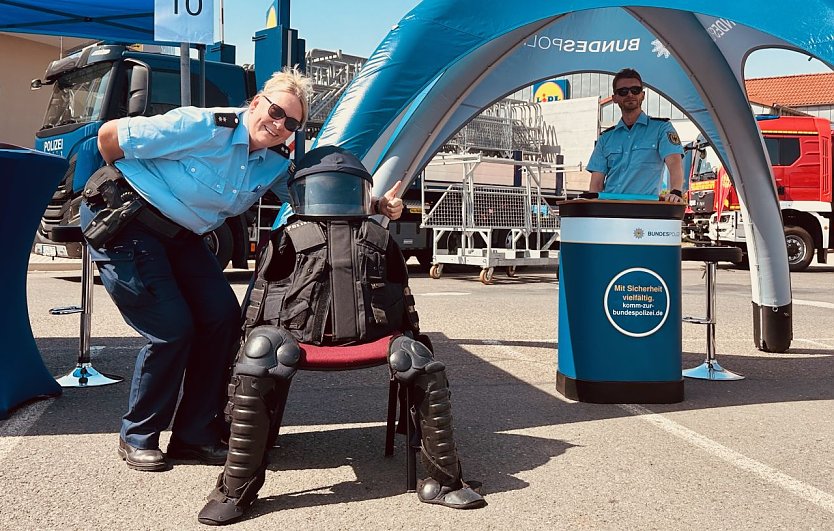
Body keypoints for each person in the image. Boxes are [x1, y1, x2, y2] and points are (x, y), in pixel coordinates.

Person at [84, 66, 404, 472]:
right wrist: (123, 185)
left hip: (183, 236)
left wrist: (376, 205)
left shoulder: (272, 163)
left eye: (291, 123)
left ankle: (194, 435)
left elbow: (315, 195)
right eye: (274, 112)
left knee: (223, 319)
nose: (279, 125)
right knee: (172, 331)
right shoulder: (205, 125)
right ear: (255, 103)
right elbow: (110, 138)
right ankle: (139, 434)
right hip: (131, 224)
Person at [196, 146, 486, 526]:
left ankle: (444, 480)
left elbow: (404, 303)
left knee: (418, 356)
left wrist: (413, 338)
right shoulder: (285, 239)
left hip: (375, 335)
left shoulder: (379, 238)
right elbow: (259, 305)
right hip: (295, 338)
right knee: (259, 349)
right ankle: (238, 486)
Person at [587, 68, 685, 203]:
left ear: (643, 95)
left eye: (635, 90)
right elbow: (596, 184)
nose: (630, 94)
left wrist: (676, 191)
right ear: (615, 98)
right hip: (611, 212)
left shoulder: (662, 128)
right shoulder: (605, 138)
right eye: (623, 91)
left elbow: (674, 163)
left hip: (645, 211)